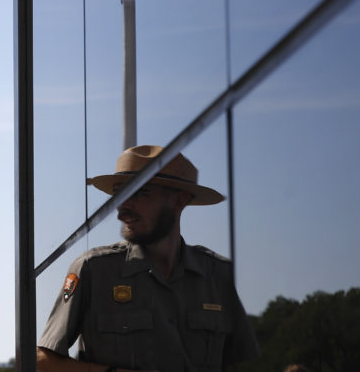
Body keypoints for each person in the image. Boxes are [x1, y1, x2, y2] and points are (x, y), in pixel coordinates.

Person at [37, 145, 259, 372]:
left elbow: (236, 365)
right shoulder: (93, 270)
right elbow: (42, 362)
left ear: (178, 201)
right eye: (119, 194)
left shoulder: (217, 275)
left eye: (139, 193)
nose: (122, 210)